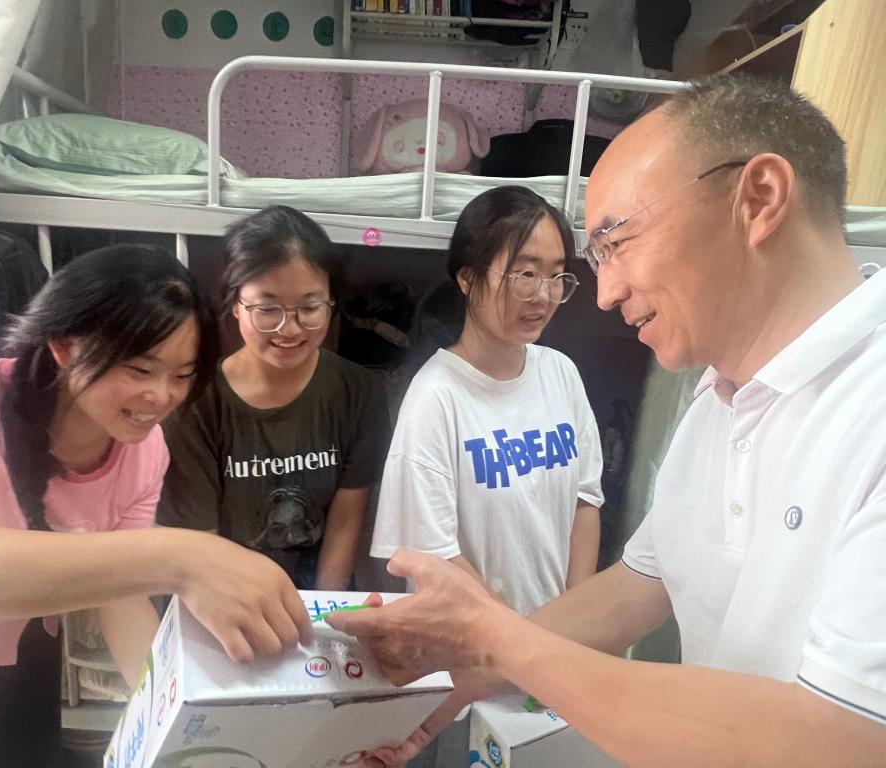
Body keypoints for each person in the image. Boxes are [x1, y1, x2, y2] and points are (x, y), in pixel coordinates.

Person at [329, 74, 886, 767]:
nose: (603, 293)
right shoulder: (718, 399)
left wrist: (498, 639)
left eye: (616, 242)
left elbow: (845, 737)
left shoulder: (869, 407)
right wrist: (463, 678)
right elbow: (639, 585)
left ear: (759, 199)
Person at [0, 244, 312, 768]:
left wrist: (174, 719)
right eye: (139, 369)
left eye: (182, 375)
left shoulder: (144, 449)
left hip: (17, 642)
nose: (162, 396)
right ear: (64, 346)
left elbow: (122, 599)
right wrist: (184, 557)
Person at [372, 185, 603, 616]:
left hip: (554, 640)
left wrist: (570, 623)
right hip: (474, 642)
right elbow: (435, 558)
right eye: (525, 274)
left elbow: (584, 502)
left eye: (556, 275)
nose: (543, 295)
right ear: (467, 278)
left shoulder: (561, 373)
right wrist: (519, 641)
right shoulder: (435, 397)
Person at [159, 206, 390, 590]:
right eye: (268, 309)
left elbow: (346, 520)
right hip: (227, 593)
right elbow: (202, 546)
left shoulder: (359, 391)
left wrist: (323, 615)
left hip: (320, 594)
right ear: (235, 304)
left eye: (310, 307)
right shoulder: (197, 403)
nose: (290, 328)